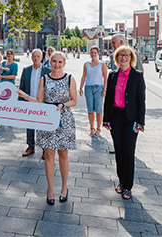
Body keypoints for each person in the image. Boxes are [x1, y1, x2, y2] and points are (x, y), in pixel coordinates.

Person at [17, 51, 77, 206]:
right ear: (50, 63)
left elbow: (74, 100)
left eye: (60, 62)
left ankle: (64, 188)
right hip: (47, 120)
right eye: (54, 61)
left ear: (64, 63)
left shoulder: (70, 79)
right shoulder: (44, 79)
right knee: (49, 155)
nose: (57, 64)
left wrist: (63, 105)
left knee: (63, 155)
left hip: (64, 119)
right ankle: (50, 189)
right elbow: (39, 100)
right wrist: (25, 96)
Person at [103, 45, 145, 200]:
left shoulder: (137, 76)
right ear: (117, 57)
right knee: (119, 152)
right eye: (120, 55)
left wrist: (140, 122)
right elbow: (108, 99)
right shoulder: (112, 75)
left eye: (126, 55)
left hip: (131, 119)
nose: (123, 58)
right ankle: (121, 182)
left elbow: (141, 101)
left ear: (131, 57)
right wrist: (106, 119)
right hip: (116, 118)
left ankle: (128, 186)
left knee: (128, 152)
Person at [19, 49, 51, 158]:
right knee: (30, 126)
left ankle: (44, 149)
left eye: (38, 56)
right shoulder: (26, 70)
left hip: (43, 104)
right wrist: (22, 102)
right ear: (31, 57)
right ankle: (30, 147)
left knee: (43, 127)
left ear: (42, 57)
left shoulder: (48, 71)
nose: (36, 58)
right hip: (29, 103)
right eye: (34, 56)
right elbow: (22, 87)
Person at [79, 46, 108, 137]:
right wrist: (81, 87)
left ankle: (98, 128)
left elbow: (105, 77)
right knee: (90, 109)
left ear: (98, 53)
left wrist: (104, 89)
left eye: (95, 52)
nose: (93, 54)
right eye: (91, 52)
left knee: (99, 109)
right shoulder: (86, 64)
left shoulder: (101, 64)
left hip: (98, 87)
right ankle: (92, 127)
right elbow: (84, 76)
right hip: (88, 87)